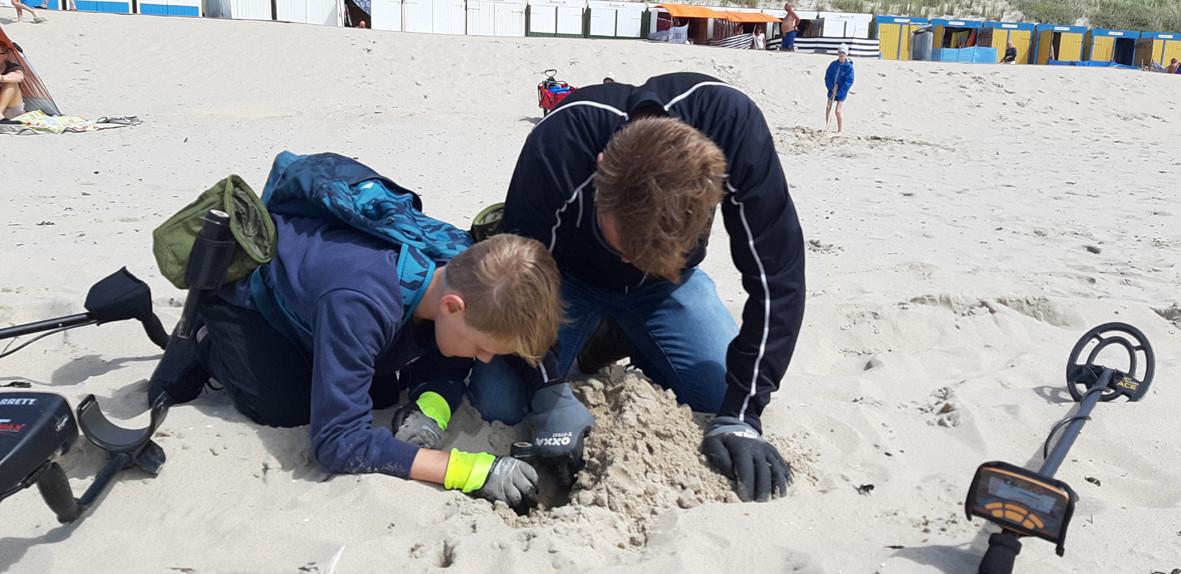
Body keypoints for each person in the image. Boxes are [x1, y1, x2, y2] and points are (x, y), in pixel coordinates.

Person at [470, 72, 806, 503]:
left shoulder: (733, 127)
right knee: (498, 404)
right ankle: (595, 334)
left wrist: (743, 417)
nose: (631, 260)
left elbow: (778, 279)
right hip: (564, 284)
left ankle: (627, 332)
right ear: (600, 173)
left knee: (723, 395)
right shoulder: (561, 141)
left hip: (667, 287)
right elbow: (518, 283)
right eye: (625, 248)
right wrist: (548, 389)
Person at [167, 154, 565, 509]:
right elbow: (338, 442)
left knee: (384, 391)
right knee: (286, 408)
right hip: (255, 305)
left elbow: (445, 352)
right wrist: (464, 470)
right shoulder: (358, 305)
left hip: (338, 303)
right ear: (451, 306)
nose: (485, 358)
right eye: (482, 347)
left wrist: (431, 407)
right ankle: (207, 340)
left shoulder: (460, 268)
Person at [825, 44, 855, 134]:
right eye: (840, 53)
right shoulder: (833, 64)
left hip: (842, 92)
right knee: (828, 107)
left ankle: (840, 130)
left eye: (843, 53)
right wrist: (831, 87)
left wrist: (840, 92)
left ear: (846, 54)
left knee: (838, 111)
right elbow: (827, 77)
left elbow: (849, 81)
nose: (841, 55)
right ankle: (827, 127)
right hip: (832, 90)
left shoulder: (849, 67)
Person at [0, 42, 28, 120]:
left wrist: (3, 78)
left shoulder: (12, 67)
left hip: (11, 109)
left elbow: (19, 77)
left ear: (6, 56)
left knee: (11, 83)